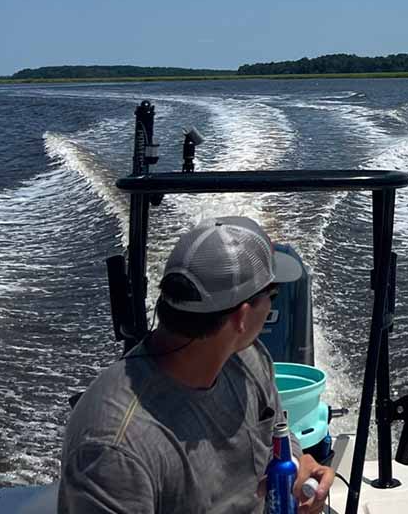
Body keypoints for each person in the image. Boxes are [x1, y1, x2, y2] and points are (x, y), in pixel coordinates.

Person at [58, 216, 334, 514]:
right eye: (272, 296)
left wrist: (295, 464)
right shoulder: (113, 450)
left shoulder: (250, 358)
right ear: (241, 317)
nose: (271, 307)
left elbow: (275, 433)